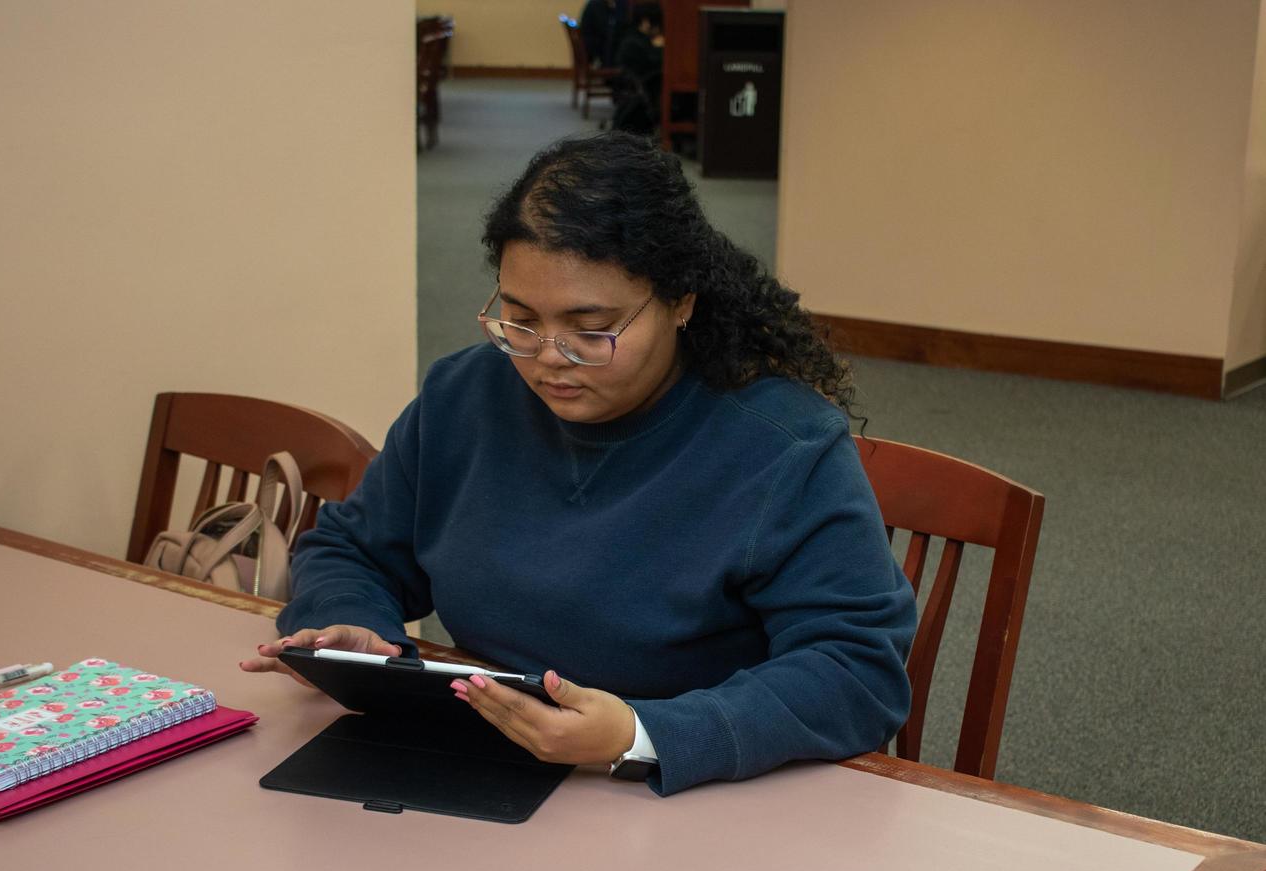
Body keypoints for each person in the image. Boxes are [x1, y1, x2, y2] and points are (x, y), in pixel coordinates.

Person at [242, 132, 915, 796]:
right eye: (519, 318)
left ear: (682, 301)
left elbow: (857, 672)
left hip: (698, 801)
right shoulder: (466, 396)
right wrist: (357, 632)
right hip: (493, 761)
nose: (549, 357)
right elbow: (351, 548)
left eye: (592, 329)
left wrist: (642, 734)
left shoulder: (782, 448)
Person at [612, 3, 664, 135]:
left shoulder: (631, 36)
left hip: (632, 95)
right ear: (646, 22)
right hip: (640, 99)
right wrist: (660, 47)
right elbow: (654, 65)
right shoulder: (636, 43)